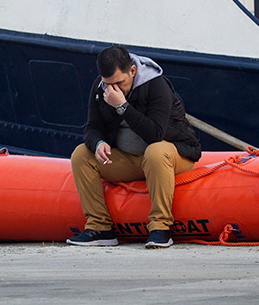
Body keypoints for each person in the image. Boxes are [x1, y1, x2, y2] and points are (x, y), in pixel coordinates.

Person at [67, 45, 201, 248]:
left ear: (132, 71)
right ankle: (99, 227)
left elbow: (155, 134)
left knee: (155, 152)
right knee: (81, 154)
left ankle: (161, 227)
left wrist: (122, 106)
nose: (114, 89)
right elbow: (92, 127)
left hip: (173, 154)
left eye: (119, 83)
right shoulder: (100, 87)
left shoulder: (156, 84)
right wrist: (98, 143)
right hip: (131, 160)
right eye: (108, 84)